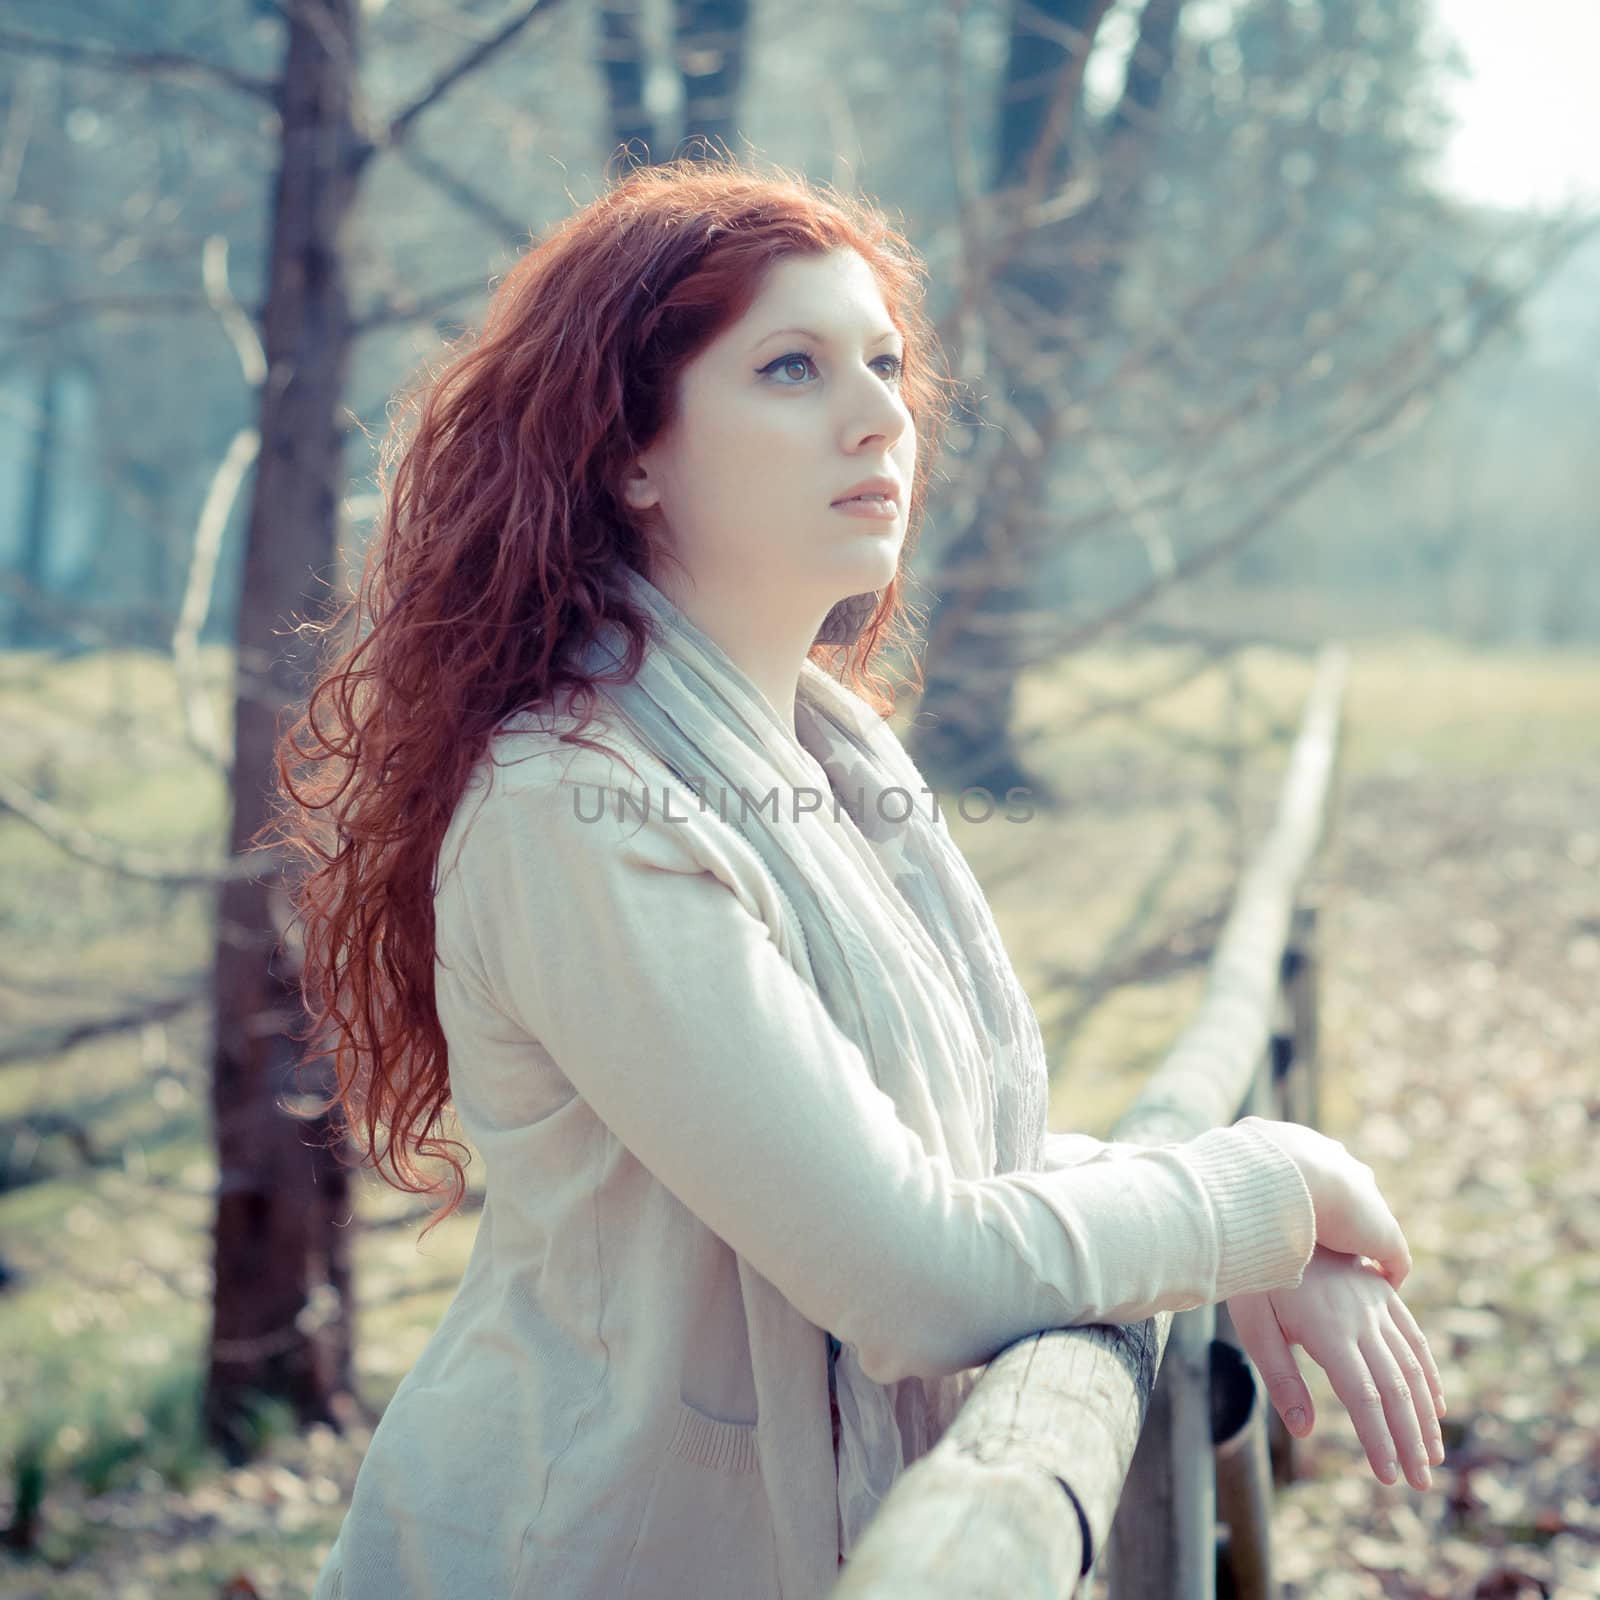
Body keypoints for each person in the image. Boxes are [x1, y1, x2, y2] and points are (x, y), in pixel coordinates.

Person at [276, 156, 1444, 1600]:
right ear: (628, 450)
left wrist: (1238, 1233)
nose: (880, 410)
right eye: (790, 366)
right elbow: (915, 1269)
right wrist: (1261, 1185)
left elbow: (939, 1172)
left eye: (884, 361)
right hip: (579, 1552)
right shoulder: (570, 807)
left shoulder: (832, 762)